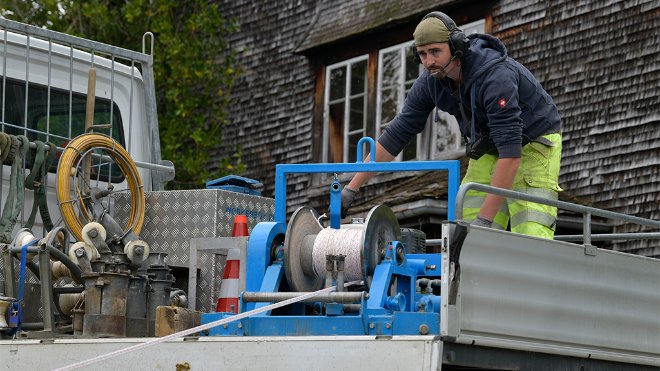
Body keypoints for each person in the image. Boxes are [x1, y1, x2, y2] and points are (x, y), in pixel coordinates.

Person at [340, 11, 562, 239]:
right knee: (467, 225)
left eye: (435, 51)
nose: (428, 62)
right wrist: (350, 189)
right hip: (490, 144)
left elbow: (511, 155)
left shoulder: (495, 78)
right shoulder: (430, 82)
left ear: (457, 47)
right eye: (422, 54)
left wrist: (485, 222)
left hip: (534, 141)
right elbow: (396, 134)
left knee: (530, 231)